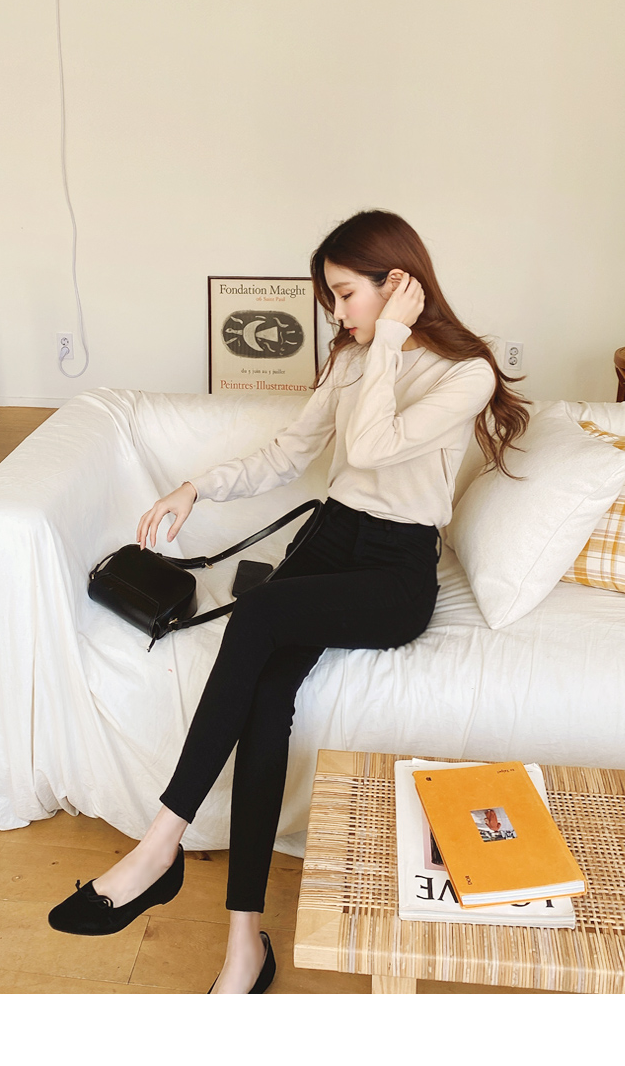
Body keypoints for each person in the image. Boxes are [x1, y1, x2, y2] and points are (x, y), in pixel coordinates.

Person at [49, 211, 527, 992]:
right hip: (329, 540)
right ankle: (245, 944)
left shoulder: (463, 372)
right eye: (330, 297)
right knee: (269, 695)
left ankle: (160, 844)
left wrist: (388, 342)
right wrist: (196, 486)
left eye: (345, 294)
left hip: (395, 571)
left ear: (397, 283)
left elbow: (372, 447)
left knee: (260, 613)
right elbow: (291, 452)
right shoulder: (354, 357)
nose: (336, 313)